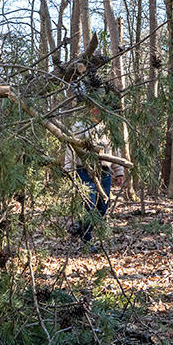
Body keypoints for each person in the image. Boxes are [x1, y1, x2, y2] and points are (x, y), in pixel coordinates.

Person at [63, 103, 126, 244]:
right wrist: (69, 171)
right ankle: (87, 240)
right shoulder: (79, 127)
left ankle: (81, 226)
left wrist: (119, 172)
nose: (95, 110)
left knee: (103, 206)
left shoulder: (108, 128)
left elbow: (115, 151)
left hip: (104, 171)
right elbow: (70, 149)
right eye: (92, 107)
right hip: (83, 170)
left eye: (98, 107)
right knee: (88, 203)